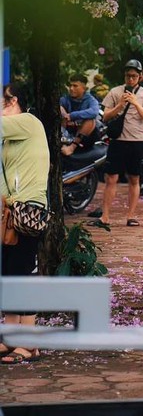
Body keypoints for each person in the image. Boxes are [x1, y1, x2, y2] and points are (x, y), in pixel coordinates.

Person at [0, 82, 50, 364]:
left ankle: (29, 343)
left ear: (12, 101)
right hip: (11, 209)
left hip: (28, 209)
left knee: (21, 272)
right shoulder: (10, 135)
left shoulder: (28, 123)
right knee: (9, 271)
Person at [93, 59, 143, 230]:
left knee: (134, 178)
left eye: (134, 76)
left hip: (137, 141)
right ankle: (105, 216)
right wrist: (120, 105)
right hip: (118, 141)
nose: (131, 79)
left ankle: (131, 216)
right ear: (124, 75)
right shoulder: (115, 92)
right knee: (111, 178)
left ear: (140, 77)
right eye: (128, 76)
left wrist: (136, 103)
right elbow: (105, 116)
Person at [60, 73, 100, 157]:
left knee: (90, 120)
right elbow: (57, 105)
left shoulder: (90, 100)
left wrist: (72, 115)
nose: (71, 88)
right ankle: (63, 140)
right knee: (59, 109)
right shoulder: (66, 98)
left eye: (75, 86)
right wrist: (65, 115)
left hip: (85, 135)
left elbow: (94, 111)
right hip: (68, 131)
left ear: (84, 88)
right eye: (70, 85)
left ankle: (72, 147)